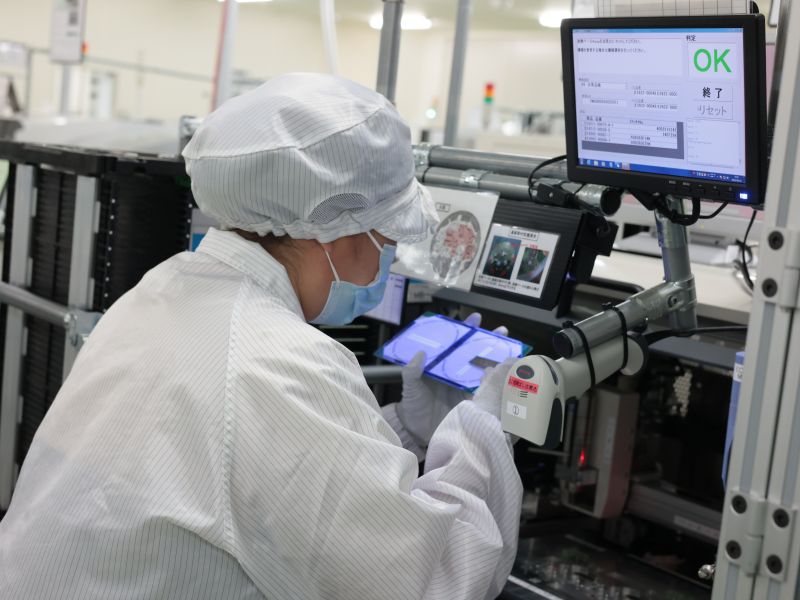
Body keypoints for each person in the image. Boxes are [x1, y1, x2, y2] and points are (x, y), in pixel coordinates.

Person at [0, 73, 522, 599]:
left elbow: (250, 475)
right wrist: (483, 430)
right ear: (336, 229)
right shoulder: (280, 362)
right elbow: (433, 580)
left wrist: (405, 429)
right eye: (388, 237)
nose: (388, 257)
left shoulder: (163, 289)